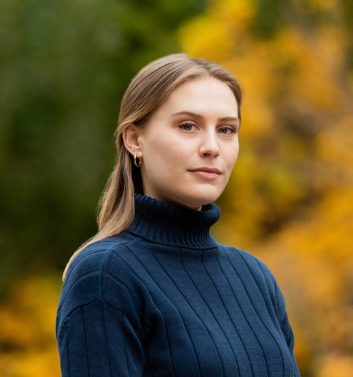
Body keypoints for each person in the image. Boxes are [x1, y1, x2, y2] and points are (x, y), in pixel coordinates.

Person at [55, 53, 301, 377]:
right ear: (134, 139)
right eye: (188, 126)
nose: (212, 146)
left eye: (226, 129)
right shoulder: (105, 275)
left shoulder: (254, 277)